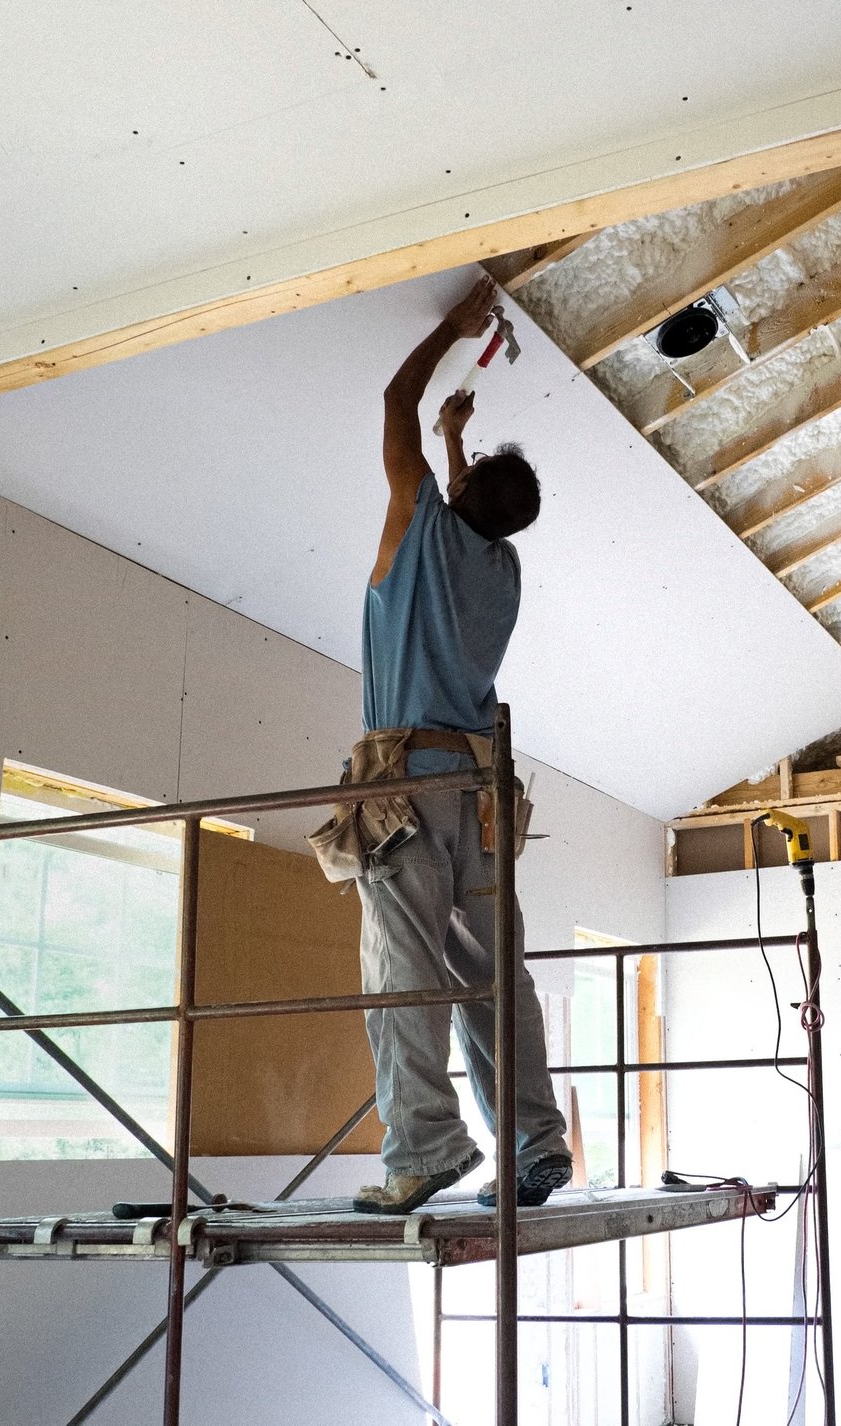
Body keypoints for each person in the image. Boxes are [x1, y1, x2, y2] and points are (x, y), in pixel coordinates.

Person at [350, 274, 572, 1215]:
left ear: (458, 492)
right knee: (492, 974)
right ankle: (534, 1142)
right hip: (482, 794)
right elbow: (469, 503)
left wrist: (455, 324)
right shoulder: (503, 567)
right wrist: (454, 441)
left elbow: (393, 398)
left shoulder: (418, 533)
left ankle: (427, 1149)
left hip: (405, 785)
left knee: (404, 969)